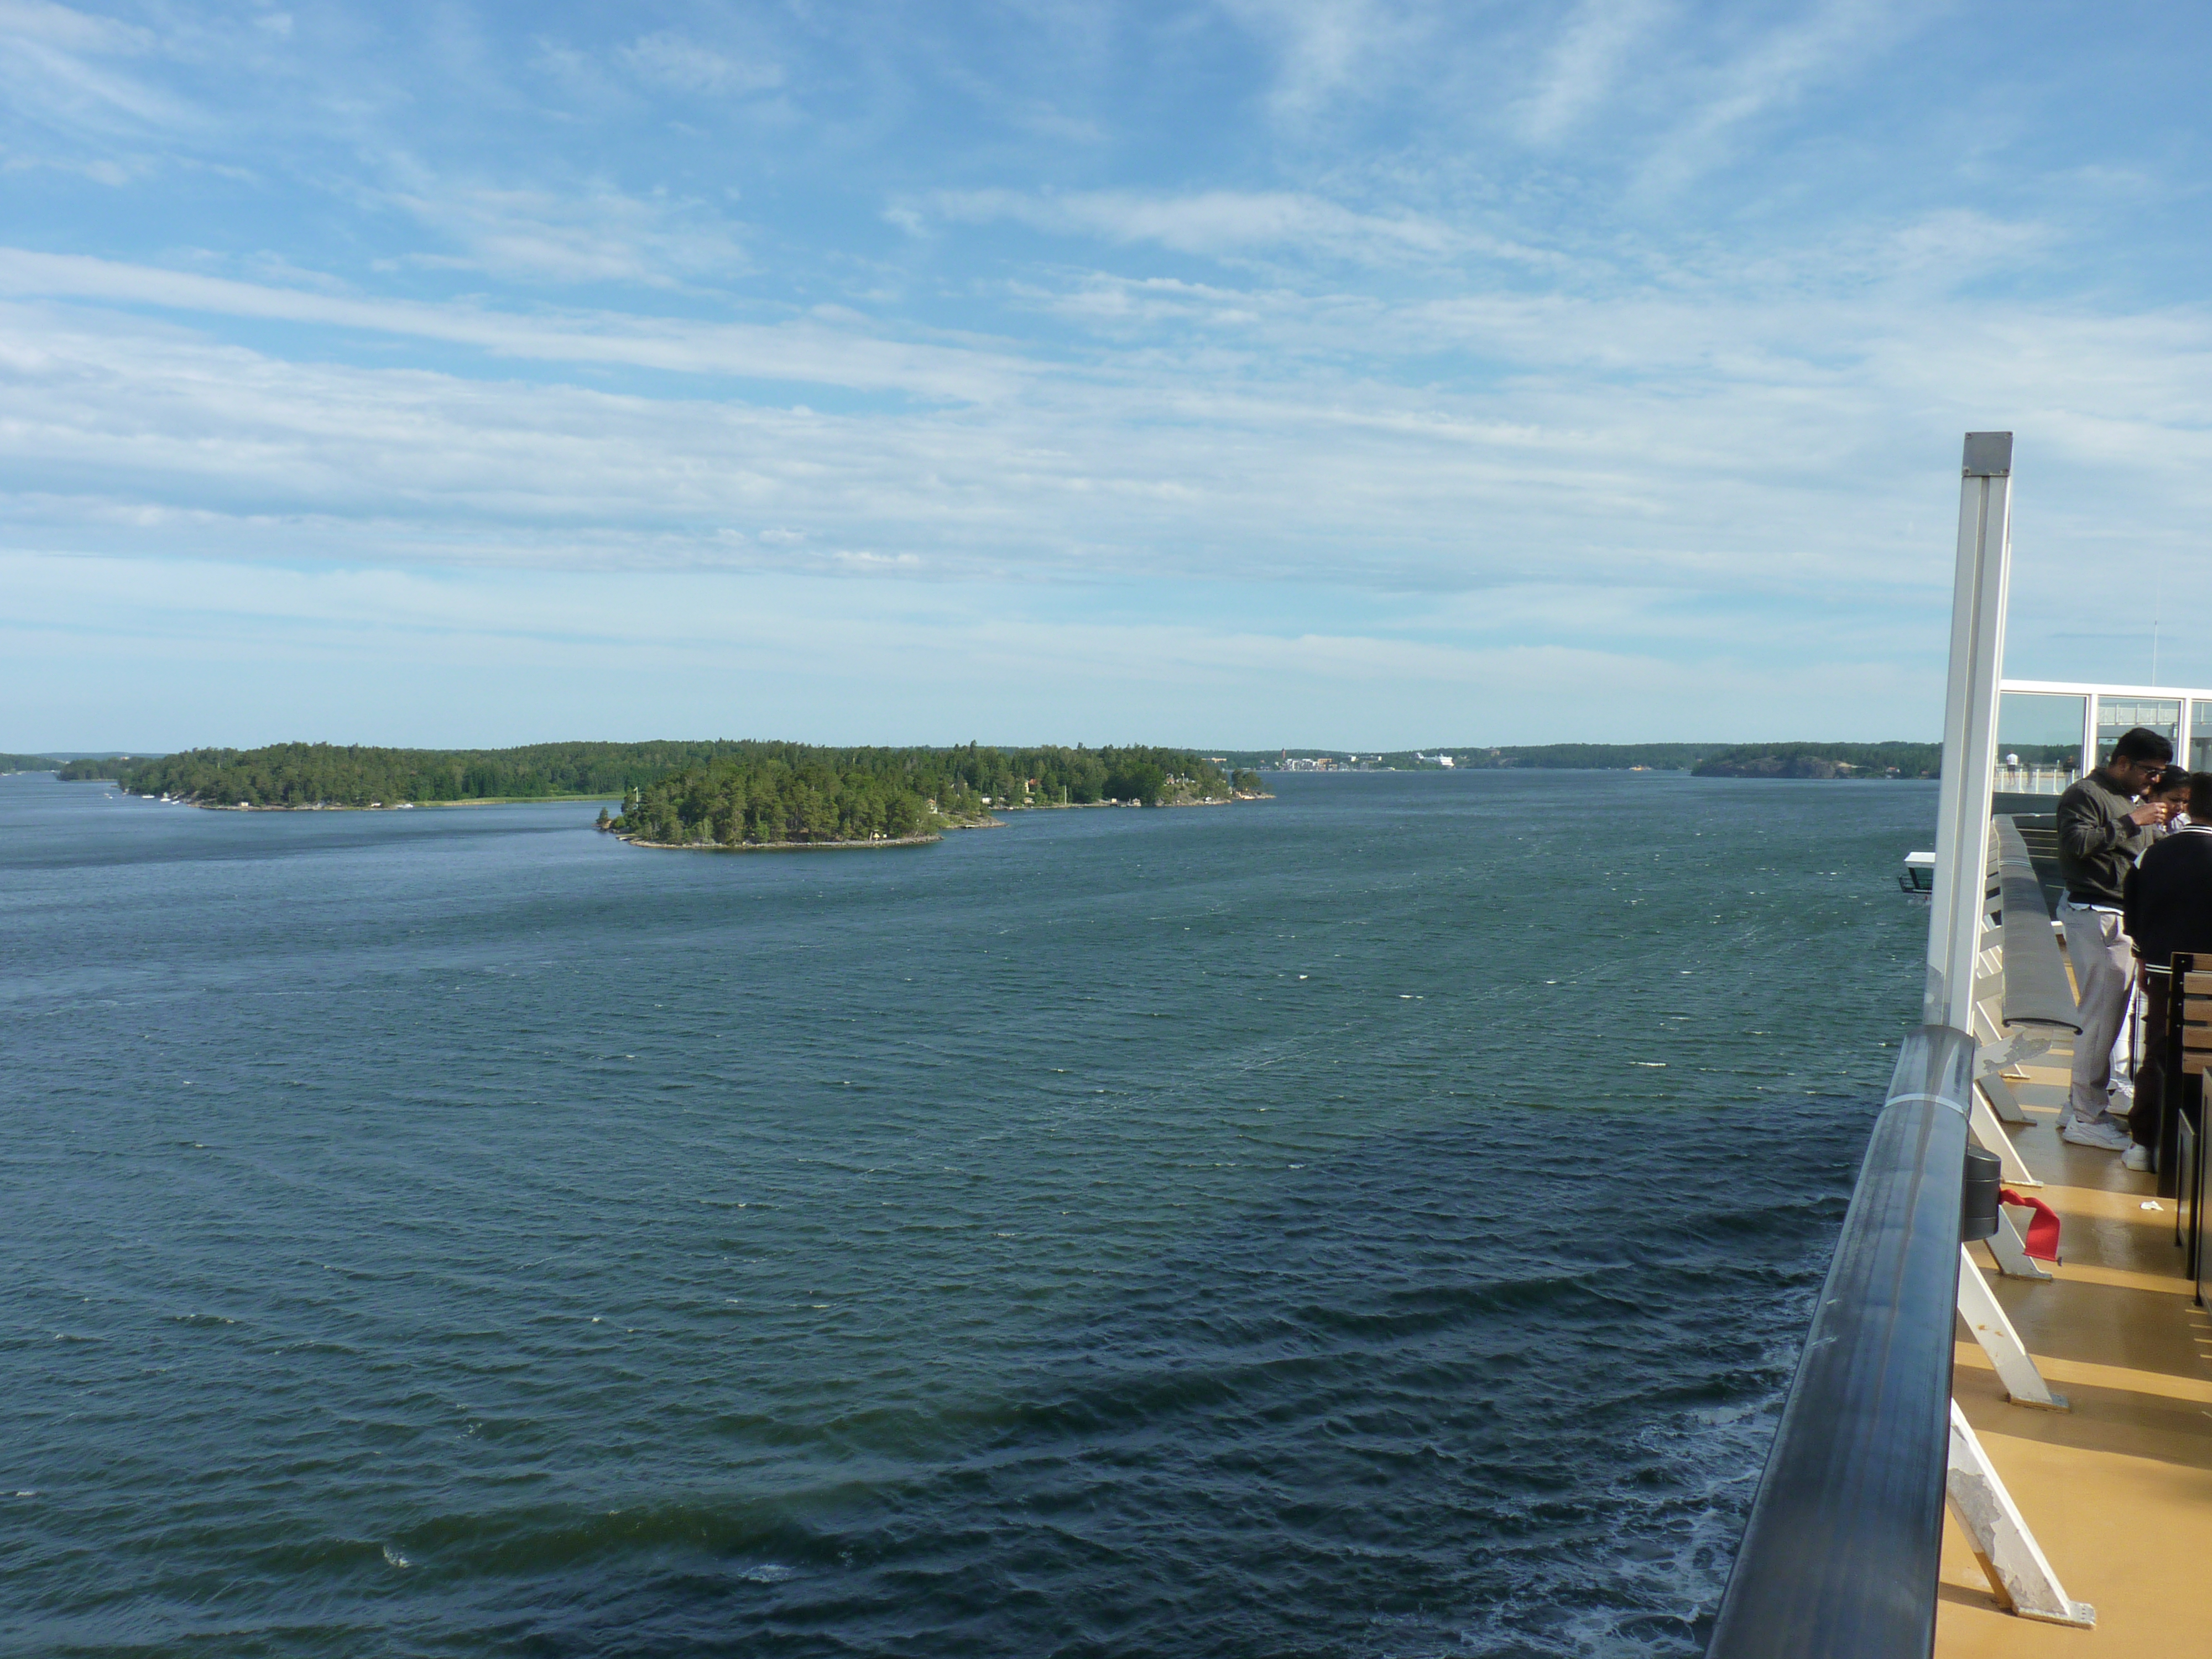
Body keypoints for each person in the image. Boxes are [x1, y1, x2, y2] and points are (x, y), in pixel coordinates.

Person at [2054, 726, 2173, 1151]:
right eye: (2149, 770)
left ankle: (2078, 1106)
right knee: (2101, 1019)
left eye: (2159, 773)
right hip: (2098, 916)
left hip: (2115, 916)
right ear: (2122, 762)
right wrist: (2132, 821)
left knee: (2106, 1018)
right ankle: (2087, 1117)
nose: (2154, 780)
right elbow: (2075, 845)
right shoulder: (2085, 794)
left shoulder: (2129, 799)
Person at [2122, 770, 2212, 1180]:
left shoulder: (2153, 855)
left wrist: (2143, 958)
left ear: (2190, 804)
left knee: (2160, 1050)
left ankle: (2143, 1143)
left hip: (2164, 973)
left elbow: (2134, 913)